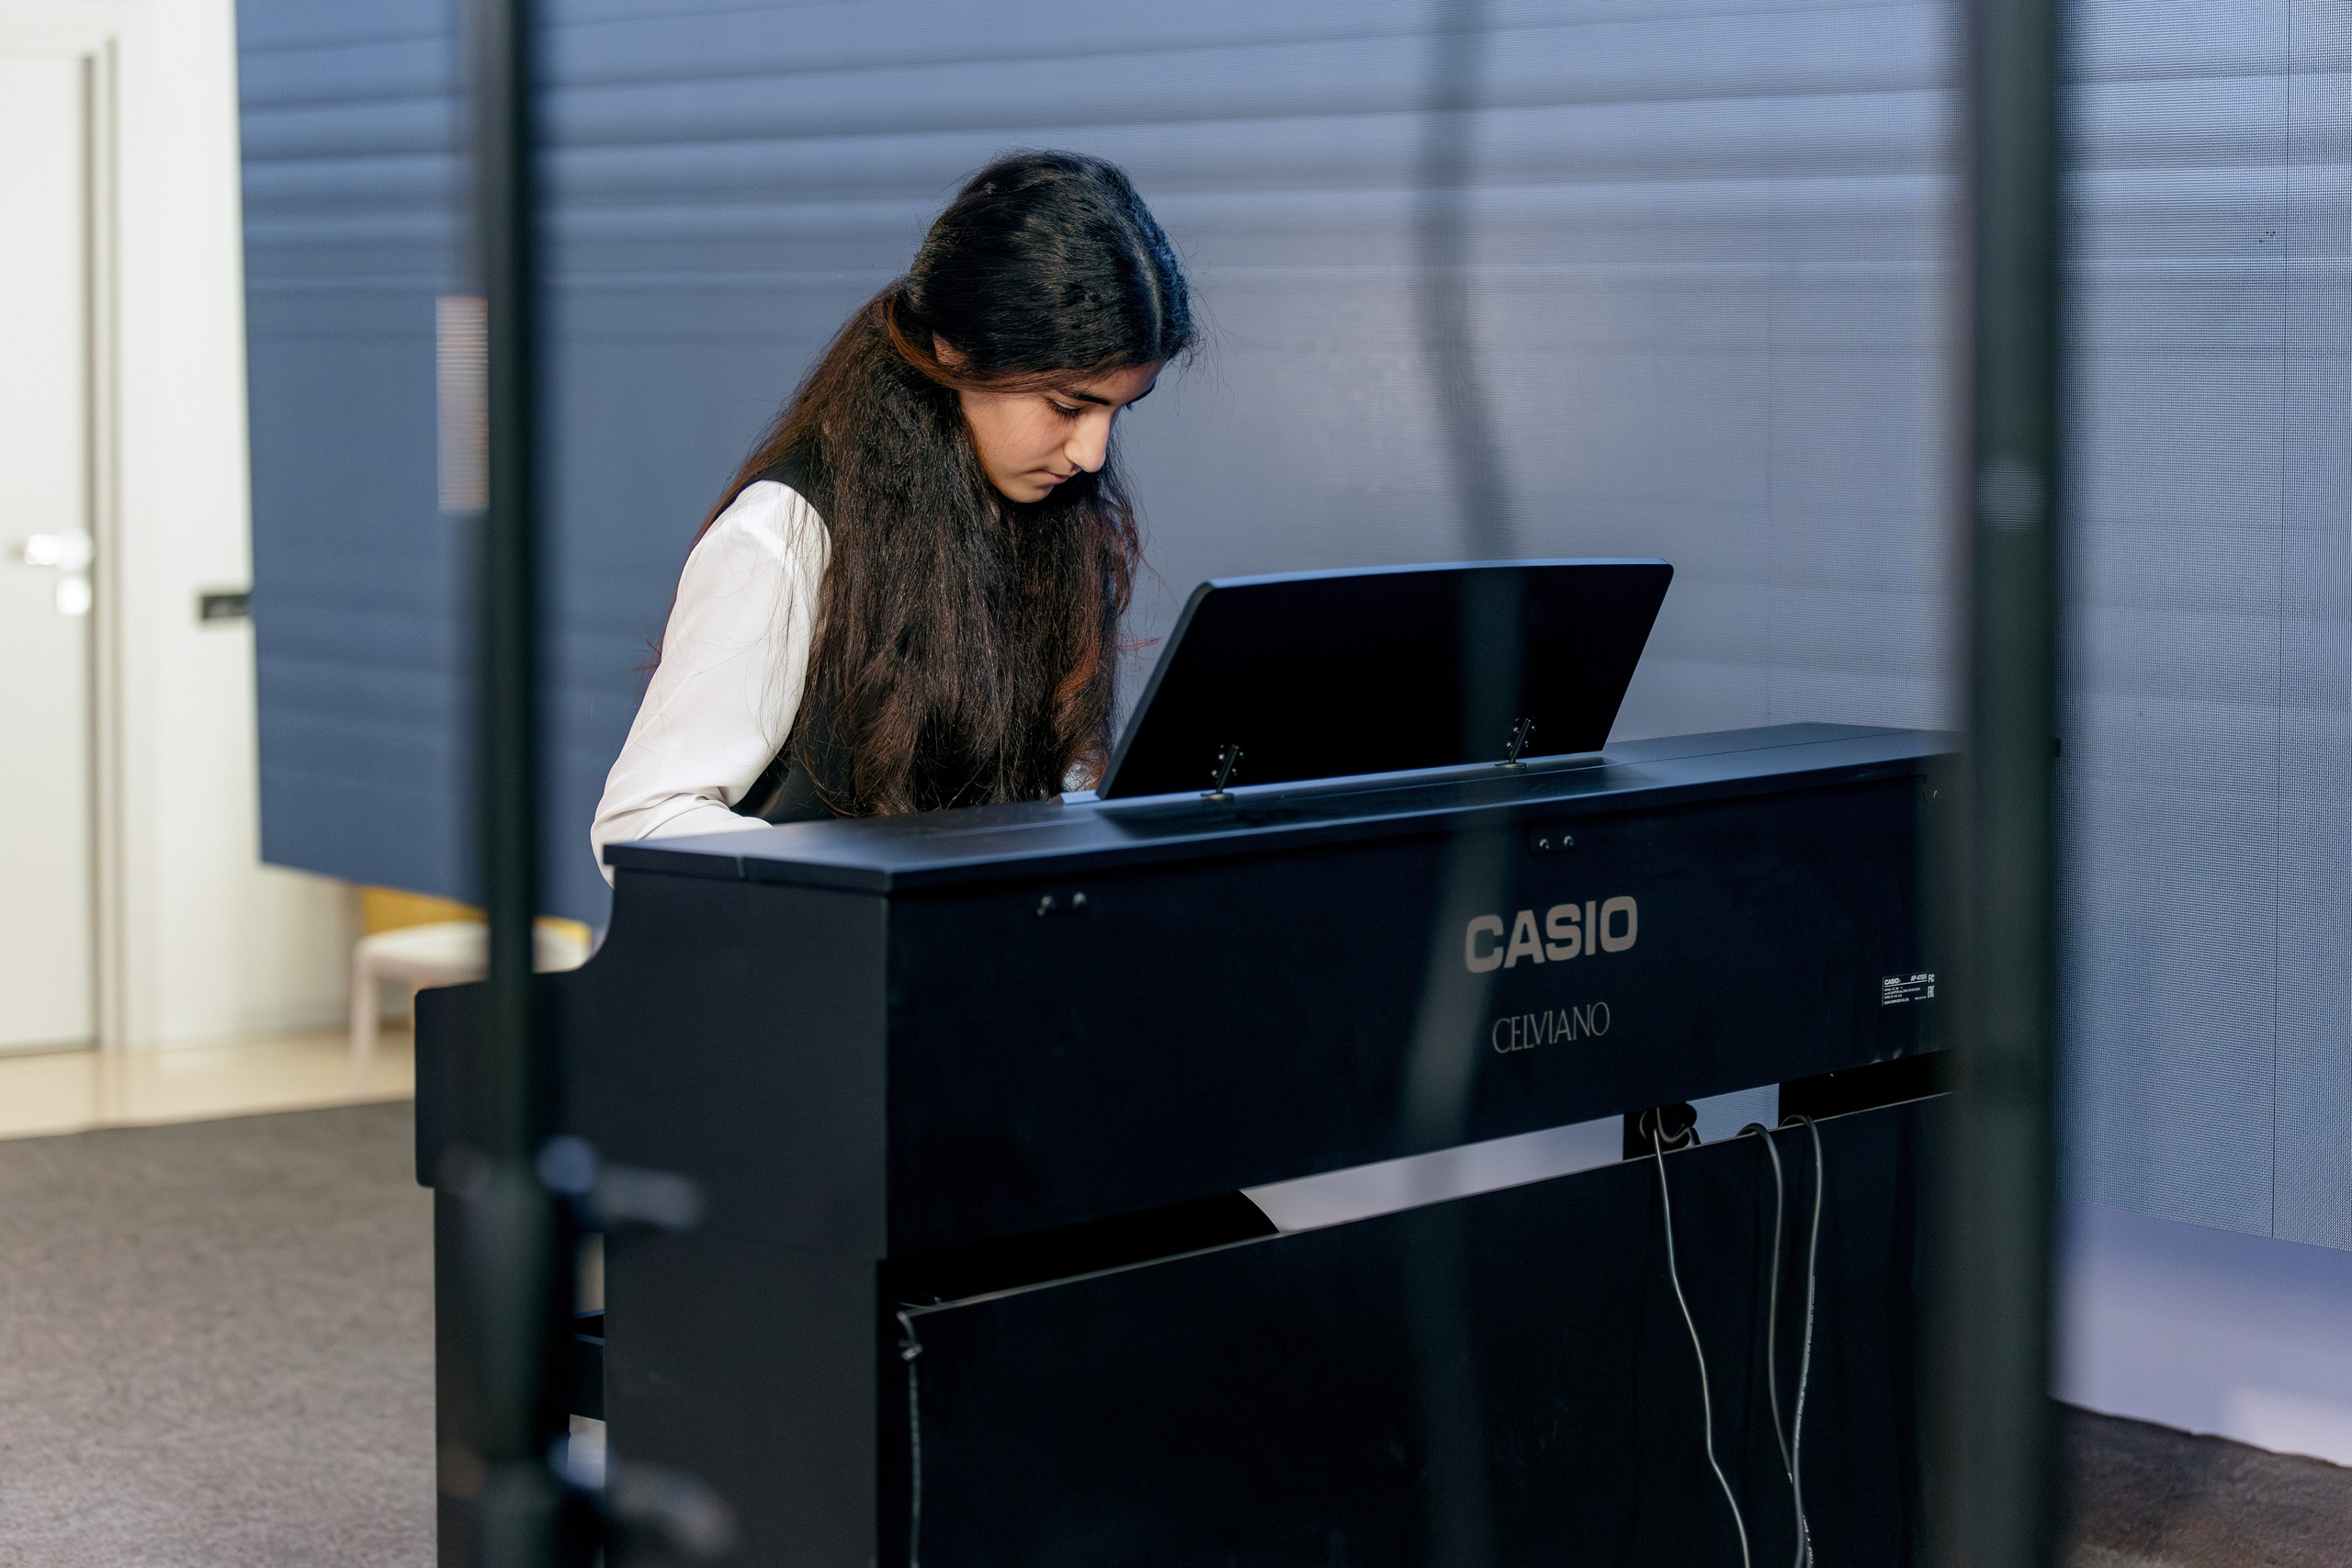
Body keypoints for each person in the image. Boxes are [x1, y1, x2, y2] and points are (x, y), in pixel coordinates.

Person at [591, 152, 1193, 878]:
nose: (1092, 454)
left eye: (1119, 412)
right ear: (956, 348)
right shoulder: (786, 533)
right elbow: (645, 824)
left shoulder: (1054, 518)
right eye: (1067, 406)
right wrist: (861, 895)